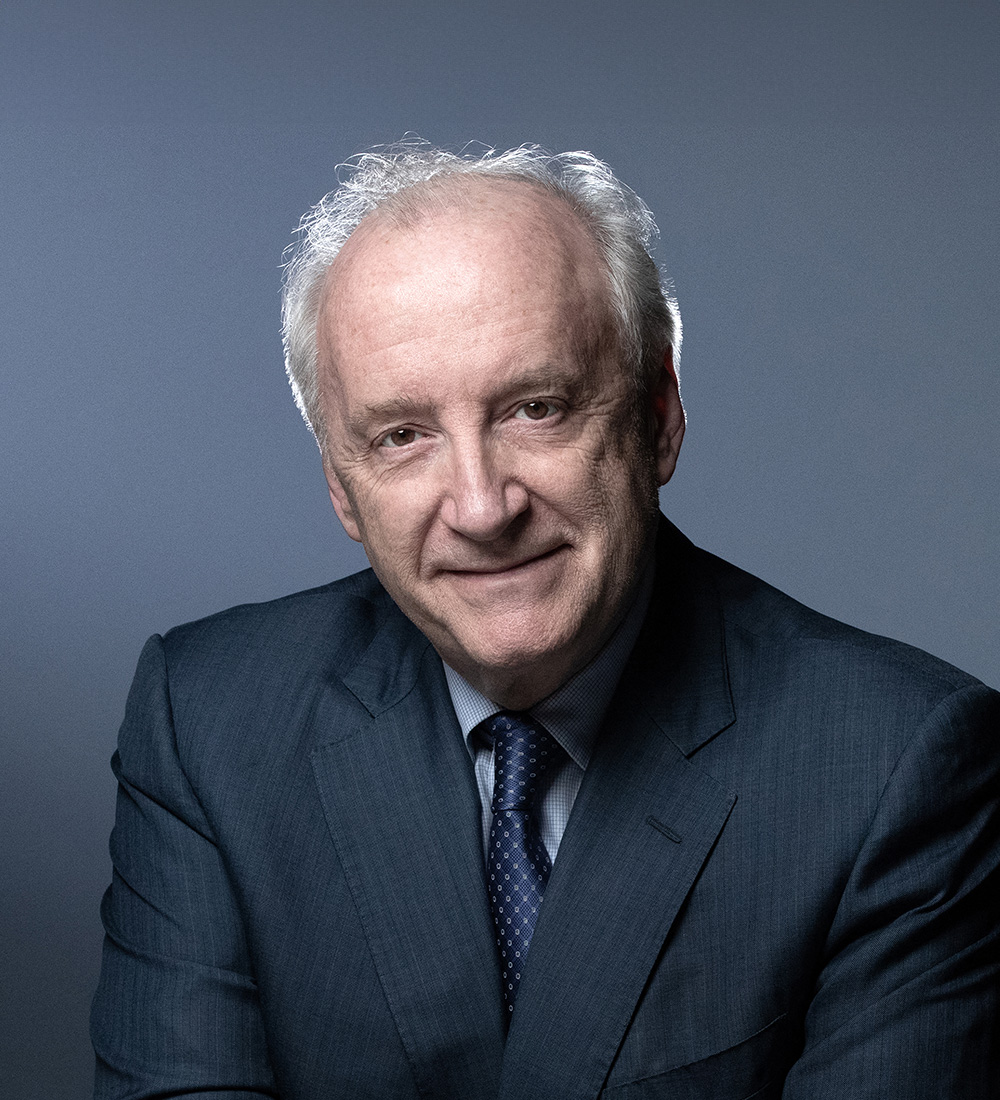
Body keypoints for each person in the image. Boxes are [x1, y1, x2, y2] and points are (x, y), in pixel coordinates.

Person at [91, 144, 999, 1099]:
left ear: (659, 417)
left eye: (537, 408)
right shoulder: (209, 724)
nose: (482, 508)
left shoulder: (894, 766)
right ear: (341, 489)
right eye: (403, 436)